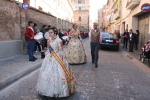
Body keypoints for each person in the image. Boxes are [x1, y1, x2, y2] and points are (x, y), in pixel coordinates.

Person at [36, 27, 75, 98]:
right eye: (49, 33)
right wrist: (46, 53)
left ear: (55, 33)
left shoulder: (59, 40)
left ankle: (59, 90)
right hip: (49, 57)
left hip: (57, 58)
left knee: (58, 74)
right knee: (47, 73)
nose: (50, 34)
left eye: (51, 33)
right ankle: (46, 89)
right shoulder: (49, 40)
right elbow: (49, 49)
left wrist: (61, 59)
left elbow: (61, 50)